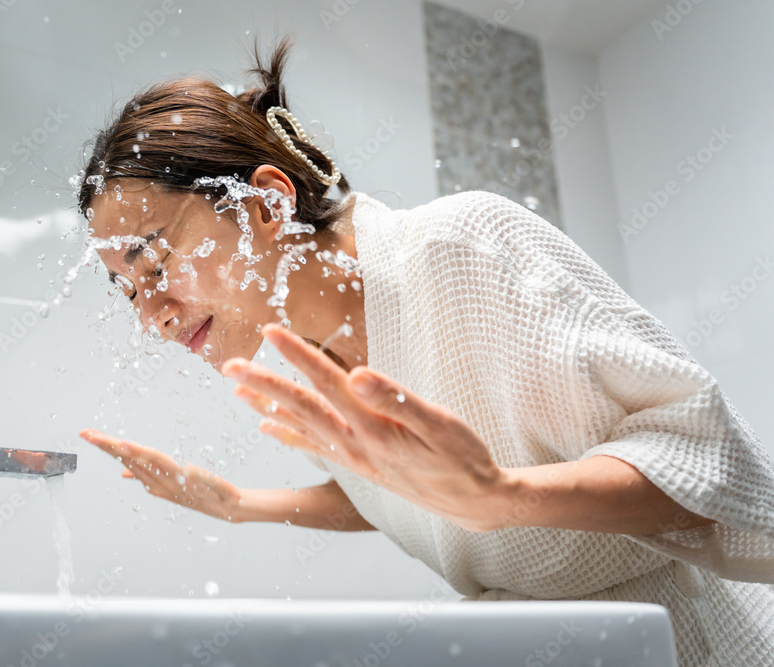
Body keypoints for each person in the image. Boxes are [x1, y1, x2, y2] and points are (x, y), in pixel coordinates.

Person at [74, 36, 774, 666]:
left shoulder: (461, 249)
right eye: (128, 292)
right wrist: (237, 502)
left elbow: (703, 460)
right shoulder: (298, 360)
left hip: (678, 636)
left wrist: (505, 497)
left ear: (266, 203)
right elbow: (396, 489)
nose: (152, 318)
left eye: (155, 262)